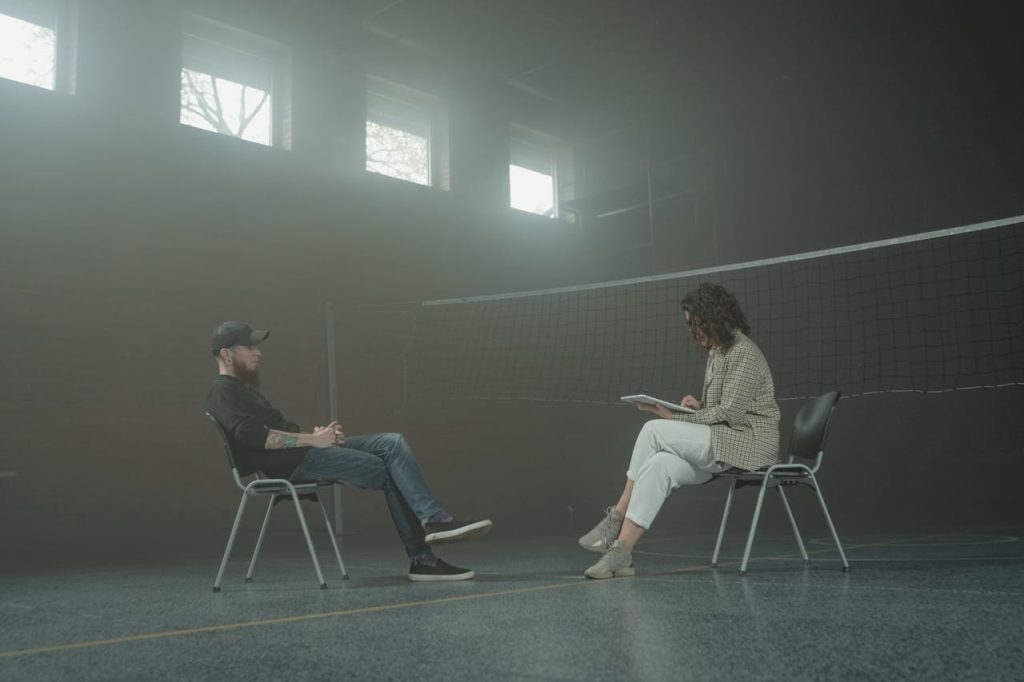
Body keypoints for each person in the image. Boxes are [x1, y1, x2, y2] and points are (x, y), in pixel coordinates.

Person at [205, 321, 492, 582]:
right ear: (227, 355)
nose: (259, 353)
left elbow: (272, 430)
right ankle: (423, 559)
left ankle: (434, 519)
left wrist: (317, 436)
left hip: (302, 453)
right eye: (250, 347)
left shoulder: (241, 389)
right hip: (292, 465)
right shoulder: (223, 391)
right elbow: (256, 437)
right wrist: (312, 440)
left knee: (392, 442)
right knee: (389, 470)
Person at [578, 283, 780, 579]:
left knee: (653, 430)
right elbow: (720, 409)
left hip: (748, 445)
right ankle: (622, 554)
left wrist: (674, 417)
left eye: (695, 323)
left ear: (712, 317)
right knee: (659, 465)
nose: (693, 330)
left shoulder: (744, 353)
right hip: (724, 444)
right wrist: (697, 407)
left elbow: (730, 413)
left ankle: (617, 515)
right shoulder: (718, 352)